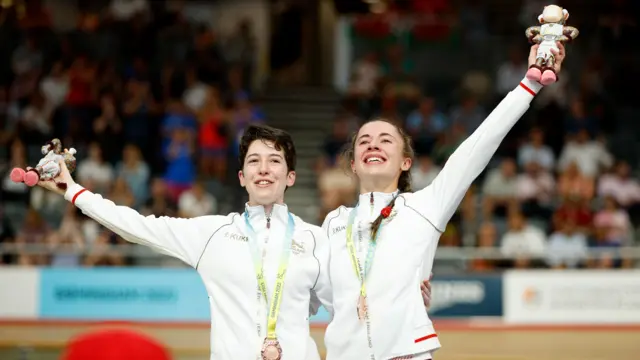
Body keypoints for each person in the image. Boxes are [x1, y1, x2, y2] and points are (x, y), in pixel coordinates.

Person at [32, 123, 434, 359]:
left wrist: (405, 292)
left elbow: (352, 300)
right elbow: (134, 225)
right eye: (253, 161)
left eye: (275, 161)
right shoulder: (210, 235)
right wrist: (72, 190)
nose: (264, 169)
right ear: (241, 177)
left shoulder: (316, 239)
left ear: (290, 178)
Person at [321, 43, 566, 360]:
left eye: (386, 140)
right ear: (353, 164)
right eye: (364, 141)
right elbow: (325, 295)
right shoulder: (333, 223)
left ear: (405, 162)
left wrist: (528, 85)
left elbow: (478, 147)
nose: (373, 145)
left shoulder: (426, 207)